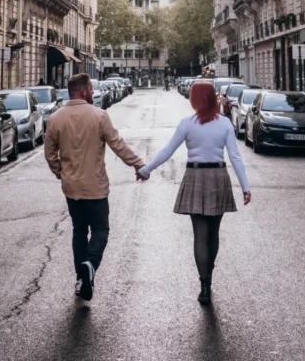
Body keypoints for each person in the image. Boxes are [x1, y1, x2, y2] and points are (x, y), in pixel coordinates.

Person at [136, 81, 251, 305]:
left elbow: (168, 150)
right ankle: (210, 275)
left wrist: (145, 170)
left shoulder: (187, 124)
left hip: (195, 176)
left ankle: (204, 284)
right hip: (218, 176)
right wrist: (245, 187)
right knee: (214, 233)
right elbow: (235, 156)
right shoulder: (225, 124)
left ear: (196, 99)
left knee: (200, 235)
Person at [44, 72, 145, 301]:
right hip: (96, 187)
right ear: (83, 91)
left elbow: (50, 153)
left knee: (79, 230)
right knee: (101, 230)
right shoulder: (99, 116)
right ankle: (90, 263)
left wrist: (61, 171)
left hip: (71, 188)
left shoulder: (56, 118)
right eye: (90, 88)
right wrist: (138, 164)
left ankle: (81, 278)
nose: (93, 92)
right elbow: (118, 145)